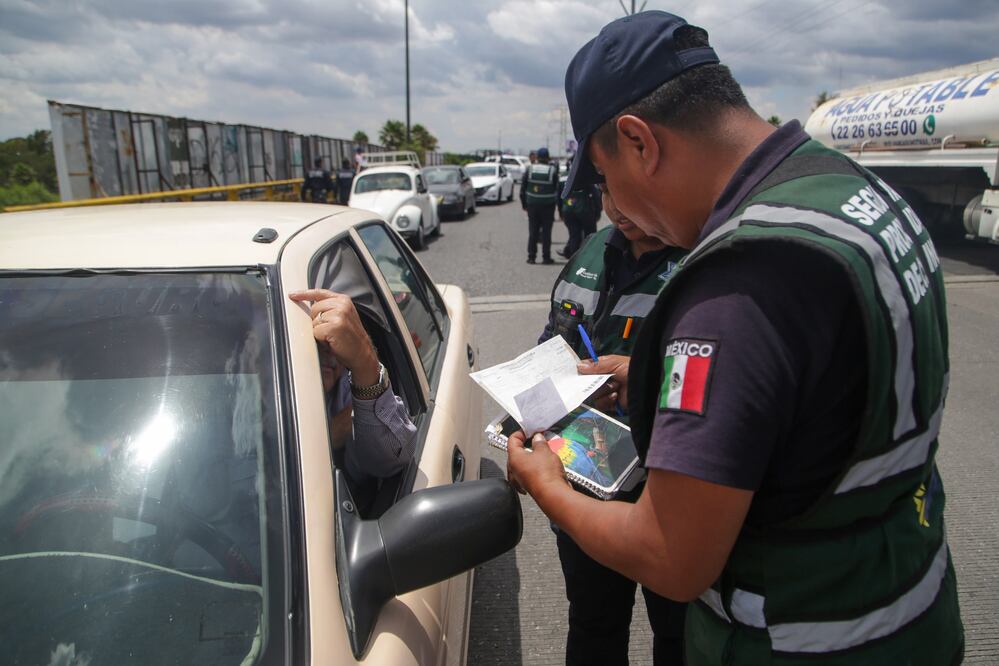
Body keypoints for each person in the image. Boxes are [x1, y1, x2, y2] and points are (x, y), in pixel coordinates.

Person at [507, 11, 962, 665]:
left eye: (604, 179)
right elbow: (824, 385)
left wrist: (546, 481)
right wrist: (646, 375)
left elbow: (670, 556)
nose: (612, 207)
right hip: (906, 606)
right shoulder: (845, 191)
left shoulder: (736, 288)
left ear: (639, 141)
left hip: (803, 638)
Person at [540, 187, 688, 665]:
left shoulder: (705, 260)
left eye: (630, 191)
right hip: (588, 481)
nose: (618, 207)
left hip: (673, 492)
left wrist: (643, 378)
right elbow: (552, 340)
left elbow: (736, 381)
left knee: (680, 630)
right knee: (593, 623)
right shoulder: (588, 251)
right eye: (606, 191)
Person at [289, 288, 416, 509]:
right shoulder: (255, 405)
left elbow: (390, 459)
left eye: (334, 346)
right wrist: (328, 434)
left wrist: (364, 361)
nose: (329, 357)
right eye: (316, 346)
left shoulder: (347, 390)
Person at [520, 146, 560, 264]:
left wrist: (524, 204)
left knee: (533, 231)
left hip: (532, 205)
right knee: (546, 232)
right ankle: (546, 257)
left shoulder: (530, 169)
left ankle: (531, 257)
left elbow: (523, 189)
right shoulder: (552, 171)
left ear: (537, 157)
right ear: (547, 158)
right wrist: (558, 206)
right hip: (548, 206)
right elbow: (557, 190)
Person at [558, 170, 602, 258]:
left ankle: (573, 259)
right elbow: (595, 194)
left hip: (568, 210)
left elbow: (559, 196)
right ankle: (589, 258)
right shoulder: (585, 174)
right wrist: (598, 211)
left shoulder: (562, 177)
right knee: (590, 236)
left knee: (574, 235)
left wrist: (560, 212)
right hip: (585, 210)